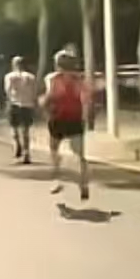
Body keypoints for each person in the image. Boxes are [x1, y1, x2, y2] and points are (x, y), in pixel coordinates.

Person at [41, 51, 90, 200]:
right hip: (75, 117)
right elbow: (85, 98)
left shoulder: (52, 78)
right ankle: (83, 183)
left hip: (58, 117)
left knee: (54, 150)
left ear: (57, 64)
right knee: (80, 155)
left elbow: (51, 94)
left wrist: (43, 104)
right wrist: (85, 116)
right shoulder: (79, 79)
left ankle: (57, 180)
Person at [4, 56, 38, 164]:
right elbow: (34, 91)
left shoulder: (9, 76)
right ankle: (26, 153)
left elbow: (7, 90)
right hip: (27, 104)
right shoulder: (31, 77)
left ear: (14, 65)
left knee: (13, 127)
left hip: (14, 103)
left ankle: (17, 144)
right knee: (26, 130)